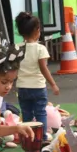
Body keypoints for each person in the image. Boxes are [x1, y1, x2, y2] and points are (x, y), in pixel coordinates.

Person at [15, 12, 59, 141]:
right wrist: (53, 84)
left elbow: (14, 68)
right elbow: (43, 68)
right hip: (38, 87)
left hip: (22, 87)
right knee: (40, 113)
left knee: (26, 114)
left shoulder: (17, 48)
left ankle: (28, 137)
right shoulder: (40, 49)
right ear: (37, 30)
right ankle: (42, 137)